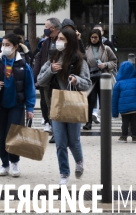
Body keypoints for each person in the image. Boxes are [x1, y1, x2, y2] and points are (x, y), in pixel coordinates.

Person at [37, 28, 91, 185]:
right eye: (57, 39)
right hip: (56, 103)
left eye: (61, 39)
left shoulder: (80, 60)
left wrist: (76, 80)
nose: (57, 42)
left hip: (73, 103)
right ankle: (64, 173)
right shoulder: (52, 58)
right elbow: (41, 81)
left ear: (70, 42)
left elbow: (87, 83)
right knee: (60, 142)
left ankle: (79, 161)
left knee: (73, 141)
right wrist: (51, 71)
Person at [0, 33, 35, 178]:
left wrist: (30, 107)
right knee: (2, 135)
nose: (4, 47)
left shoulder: (24, 65)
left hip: (17, 105)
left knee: (14, 135)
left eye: (8, 45)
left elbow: (29, 87)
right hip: (0, 105)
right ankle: (4, 163)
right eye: (3, 44)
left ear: (16, 47)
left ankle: (14, 162)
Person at [82, 29, 117, 130]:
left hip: (104, 77)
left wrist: (105, 64)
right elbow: (83, 63)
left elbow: (114, 61)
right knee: (90, 100)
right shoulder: (86, 49)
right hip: (92, 78)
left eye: (96, 37)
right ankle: (88, 122)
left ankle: (106, 123)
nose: (93, 39)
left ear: (99, 38)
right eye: (92, 37)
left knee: (104, 101)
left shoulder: (106, 48)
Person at [33, 18, 61, 135]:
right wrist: (36, 77)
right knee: (46, 104)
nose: (45, 29)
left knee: (57, 105)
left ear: (52, 28)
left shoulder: (62, 39)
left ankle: (57, 131)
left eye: (45, 26)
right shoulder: (46, 42)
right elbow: (39, 58)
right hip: (46, 78)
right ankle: (50, 125)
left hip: (59, 79)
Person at [112, 61, 136, 143]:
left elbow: (114, 99)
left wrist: (114, 113)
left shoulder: (118, 83)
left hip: (124, 108)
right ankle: (134, 137)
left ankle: (124, 136)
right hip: (135, 107)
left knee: (125, 123)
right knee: (134, 122)